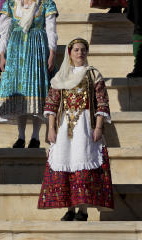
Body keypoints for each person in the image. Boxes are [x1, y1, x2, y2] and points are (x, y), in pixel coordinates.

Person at [38, 38, 115, 220]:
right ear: (70, 53)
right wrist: (51, 128)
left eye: (83, 50)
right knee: (67, 163)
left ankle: (83, 210)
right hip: (64, 126)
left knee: (84, 163)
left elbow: (102, 102)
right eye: (76, 50)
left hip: (85, 126)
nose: (80, 53)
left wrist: (98, 127)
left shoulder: (93, 74)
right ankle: (70, 208)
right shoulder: (60, 77)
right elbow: (51, 105)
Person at [0, 0, 57, 148]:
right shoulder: (11, 4)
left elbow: (52, 31)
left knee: (36, 93)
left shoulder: (46, 4)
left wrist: (52, 53)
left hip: (37, 51)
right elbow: (4, 33)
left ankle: (36, 137)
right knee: (20, 93)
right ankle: (21, 136)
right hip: (16, 52)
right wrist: (2, 54)